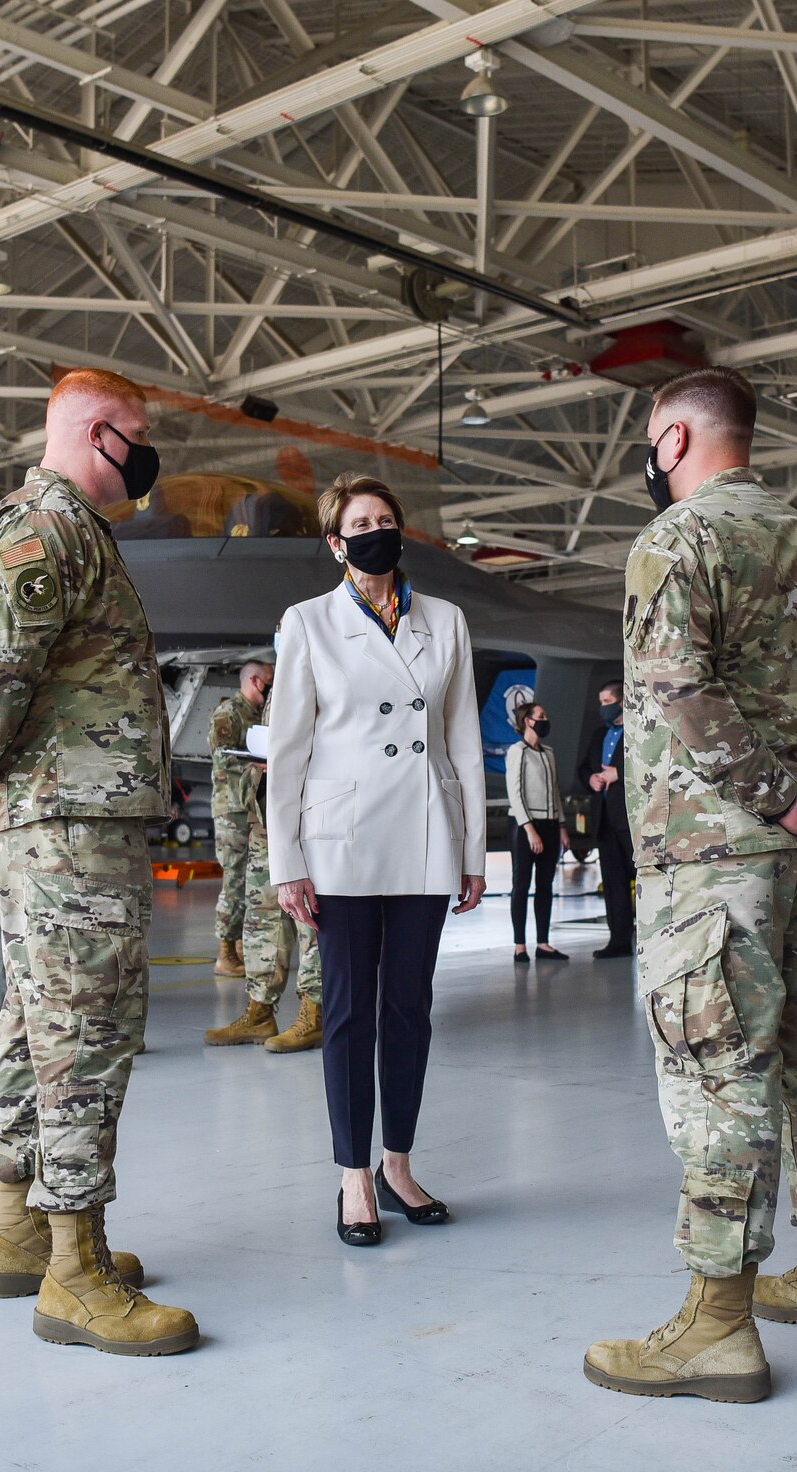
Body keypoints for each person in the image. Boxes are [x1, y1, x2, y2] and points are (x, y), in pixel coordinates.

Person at [585, 365, 797, 1405]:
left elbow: (677, 689)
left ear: (672, 441)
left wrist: (774, 794)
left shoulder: (673, 542)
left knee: (715, 1075)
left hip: (715, 859)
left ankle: (716, 1325)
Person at [0, 366, 197, 1358]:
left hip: (61, 819)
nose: (147, 454)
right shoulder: (45, 527)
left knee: (37, 1019)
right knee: (87, 1026)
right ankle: (76, 1269)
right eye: (137, 434)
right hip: (67, 824)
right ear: (95, 432)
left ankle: (19, 1230)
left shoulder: (72, 530)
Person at [267, 473, 487, 1246]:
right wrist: (285, 861)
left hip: (426, 835)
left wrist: (471, 849)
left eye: (386, 518)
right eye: (360, 522)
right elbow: (288, 749)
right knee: (350, 1012)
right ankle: (351, 1179)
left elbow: (462, 739)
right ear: (337, 544)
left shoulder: (446, 621)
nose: (376, 531)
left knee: (409, 1012)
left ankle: (397, 1167)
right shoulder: (308, 623)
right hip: (342, 843)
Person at [206, 655, 323, 1050]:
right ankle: (259, 1011)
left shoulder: (326, 679)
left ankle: (316, 1010)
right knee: (262, 913)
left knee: (310, 918)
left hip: (308, 815)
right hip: (263, 812)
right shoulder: (272, 695)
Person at [207, 661, 272, 979]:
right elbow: (221, 756)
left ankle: (245, 946)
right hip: (232, 807)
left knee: (252, 881)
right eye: (269, 681)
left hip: (252, 808)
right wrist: (257, 765)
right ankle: (226, 952)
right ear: (256, 681)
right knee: (234, 879)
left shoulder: (258, 714)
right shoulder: (229, 712)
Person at [504, 701, 568, 964]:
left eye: (545, 715)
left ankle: (543, 943)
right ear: (527, 721)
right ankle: (520, 945)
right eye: (540, 716)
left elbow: (555, 791)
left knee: (545, 885)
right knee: (521, 885)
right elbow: (515, 792)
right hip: (525, 827)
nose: (545, 719)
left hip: (550, 825)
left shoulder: (549, 753)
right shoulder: (517, 751)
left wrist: (562, 826)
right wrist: (529, 830)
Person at [574, 681, 635, 958]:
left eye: (607, 701)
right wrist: (591, 778)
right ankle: (618, 941)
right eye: (601, 702)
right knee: (613, 884)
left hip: (632, 821)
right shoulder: (599, 734)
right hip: (605, 821)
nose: (603, 708)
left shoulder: (637, 731)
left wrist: (618, 773)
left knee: (645, 880)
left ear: (622, 702)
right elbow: (584, 766)